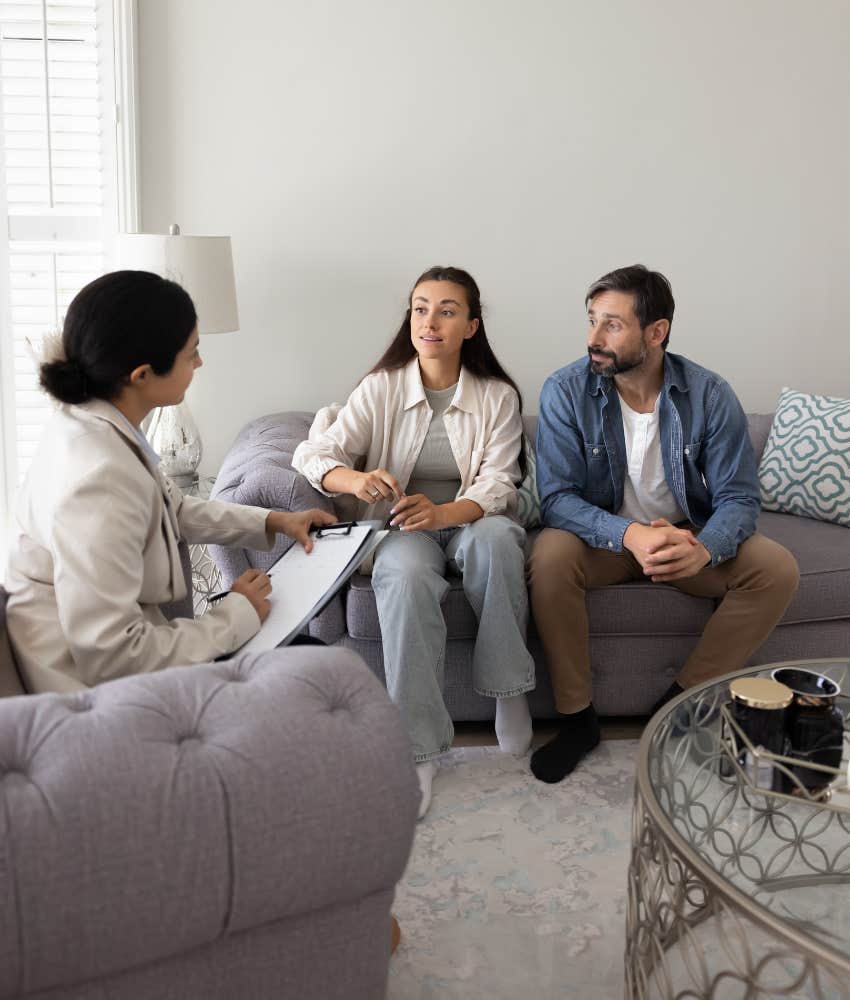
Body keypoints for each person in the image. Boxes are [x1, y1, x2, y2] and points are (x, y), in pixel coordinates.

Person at [528, 264, 799, 783]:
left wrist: (704, 548)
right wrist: (630, 533)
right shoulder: (565, 390)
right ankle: (577, 720)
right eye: (592, 322)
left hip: (682, 543)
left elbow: (739, 498)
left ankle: (678, 707)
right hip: (603, 544)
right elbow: (557, 499)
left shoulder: (709, 394)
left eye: (612, 324)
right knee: (549, 554)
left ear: (657, 331)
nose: (594, 339)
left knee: (776, 567)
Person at [5, 270, 335, 694]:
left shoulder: (96, 421)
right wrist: (235, 613)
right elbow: (114, 658)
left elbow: (170, 507)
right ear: (142, 374)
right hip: (88, 699)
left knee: (309, 659)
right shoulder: (97, 479)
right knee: (309, 673)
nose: (199, 363)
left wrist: (274, 521)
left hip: (124, 662)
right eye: (191, 353)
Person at [292, 266, 536, 817]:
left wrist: (444, 511)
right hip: (399, 527)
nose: (430, 321)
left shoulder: (497, 396)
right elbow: (314, 455)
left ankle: (510, 690)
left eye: (447, 310)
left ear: (471, 326)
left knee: (497, 543)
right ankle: (418, 749)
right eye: (421, 308)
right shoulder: (380, 388)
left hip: (470, 517)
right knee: (402, 574)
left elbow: (500, 482)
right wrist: (355, 481)